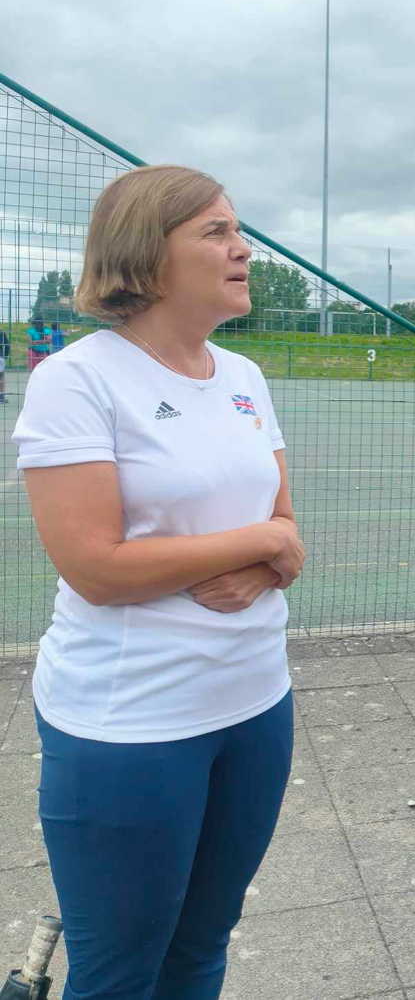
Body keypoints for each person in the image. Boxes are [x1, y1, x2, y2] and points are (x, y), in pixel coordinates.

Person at [13, 164, 306, 1000]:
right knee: (118, 975)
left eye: (237, 229)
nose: (243, 248)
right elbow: (97, 569)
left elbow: (291, 538)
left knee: (201, 947)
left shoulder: (244, 379)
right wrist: (254, 544)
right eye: (216, 232)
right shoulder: (76, 379)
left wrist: (264, 555)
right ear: (145, 255)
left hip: (255, 704)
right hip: (131, 724)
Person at [0, 325, 9, 403]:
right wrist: (5, 355)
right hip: (0, 356)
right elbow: (7, 345)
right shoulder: (1, 332)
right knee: (1, 376)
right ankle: (2, 397)